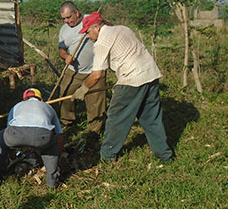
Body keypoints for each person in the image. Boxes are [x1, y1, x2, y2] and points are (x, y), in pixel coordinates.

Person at [74, 12, 173, 162]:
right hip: (150, 74)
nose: (88, 36)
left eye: (87, 32)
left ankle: (107, 156)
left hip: (132, 79)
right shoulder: (123, 28)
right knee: (151, 117)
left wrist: (83, 89)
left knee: (116, 118)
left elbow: (96, 75)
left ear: (96, 27)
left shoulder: (101, 42)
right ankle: (164, 155)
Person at [0, 88, 63, 189]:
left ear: (23, 100)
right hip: (42, 137)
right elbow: (59, 134)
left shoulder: (17, 106)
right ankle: (52, 183)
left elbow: (10, 128)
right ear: (41, 100)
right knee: (51, 145)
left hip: (15, 134)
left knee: (0, 139)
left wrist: (13, 156)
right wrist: (59, 154)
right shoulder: (48, 106)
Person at [58, 1, 106, 138]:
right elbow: (61, 50)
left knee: (96, 102)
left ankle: (94, 131)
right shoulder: (64, 30)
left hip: (95, 70)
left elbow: (109, 31)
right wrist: (66, 56)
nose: (66, 21)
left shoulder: (92, 20)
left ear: (77, 13)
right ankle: (67, 122)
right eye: (64, 19)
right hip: (74, 71)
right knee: (65, 96)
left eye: (68, 17)